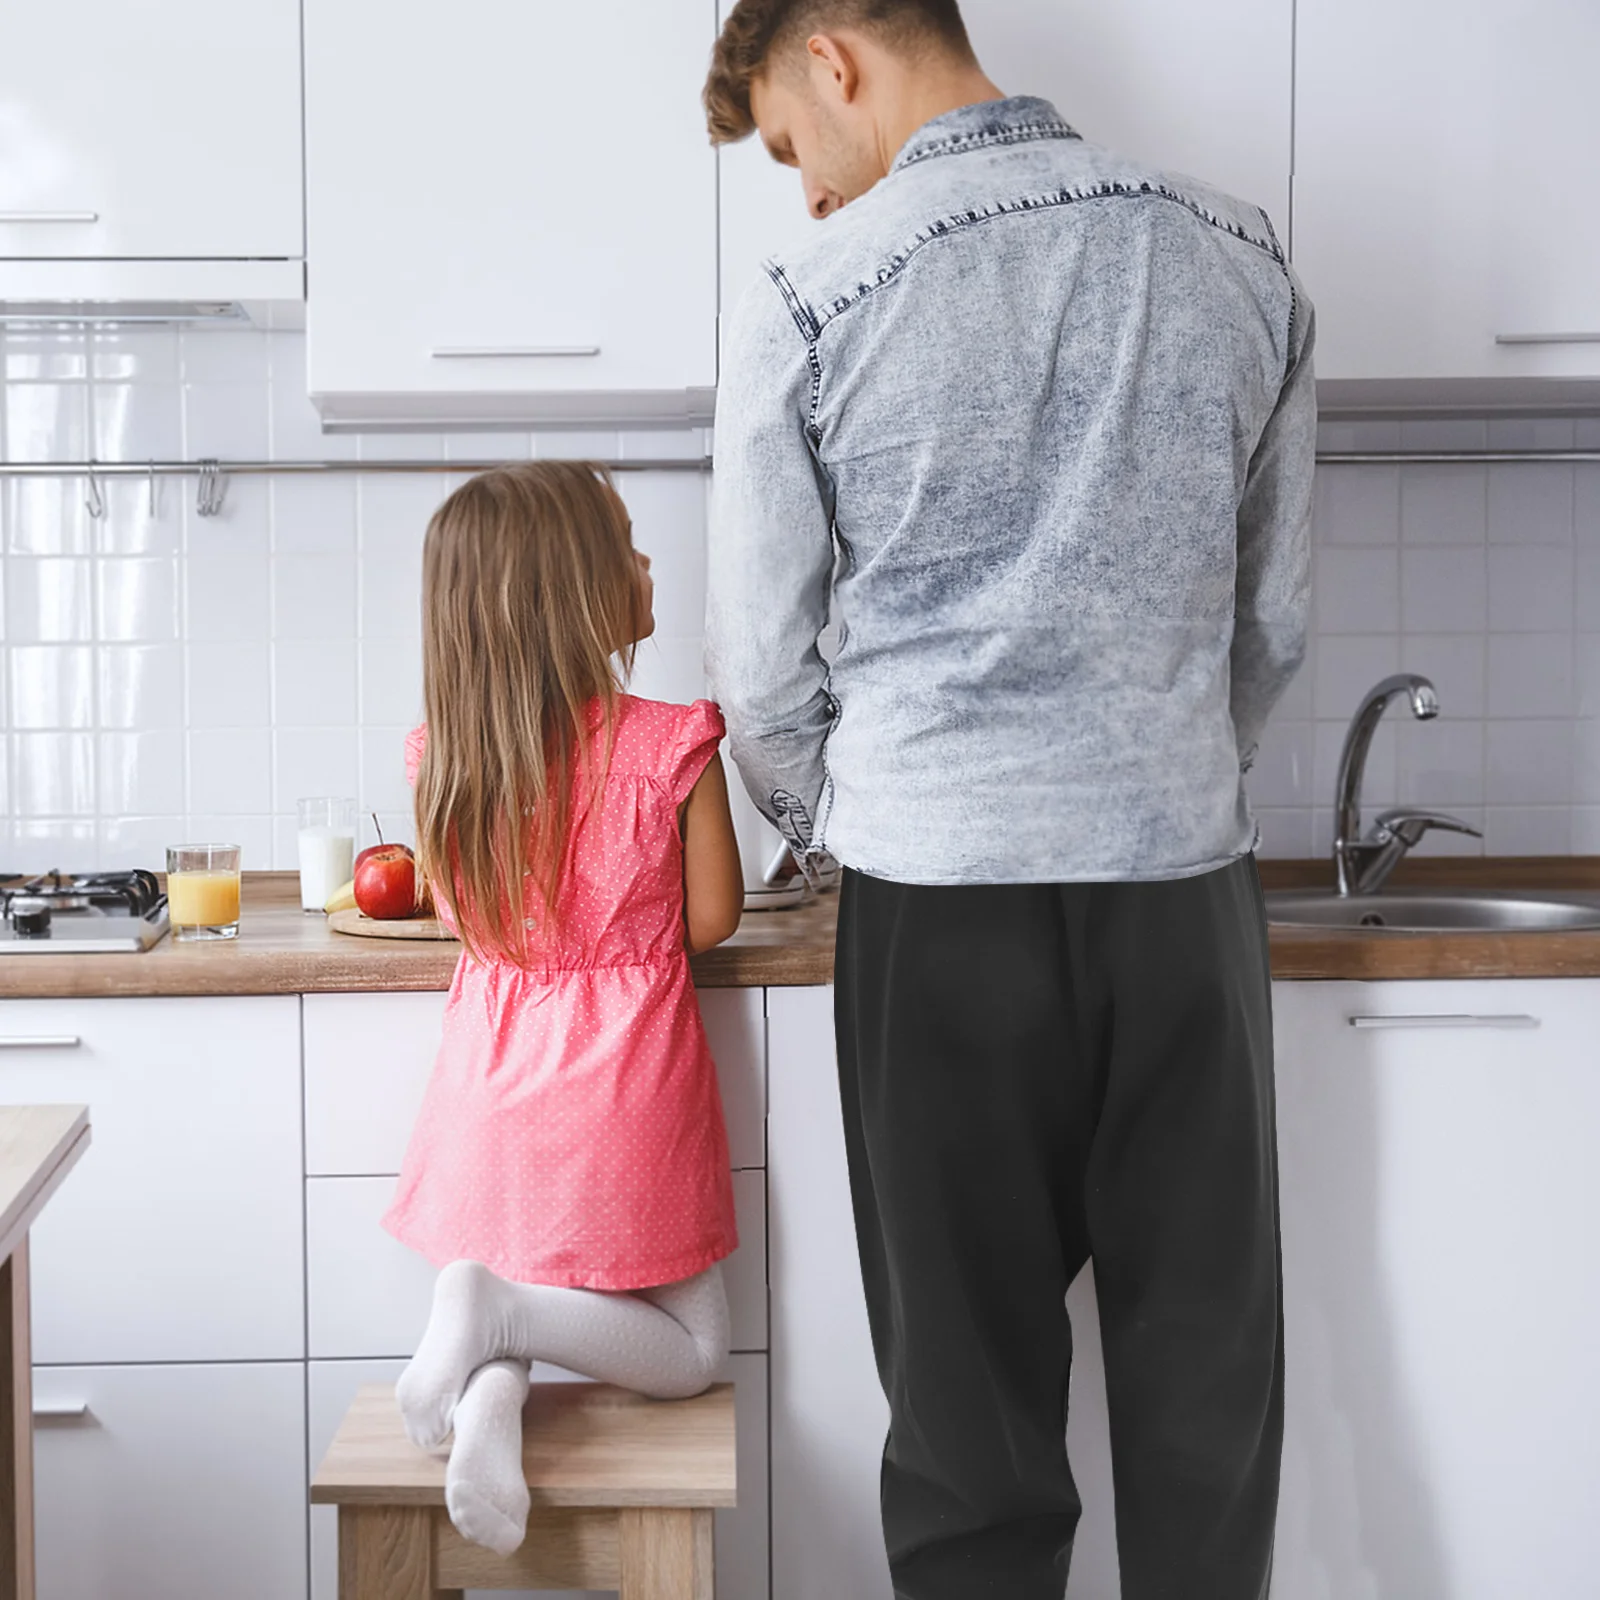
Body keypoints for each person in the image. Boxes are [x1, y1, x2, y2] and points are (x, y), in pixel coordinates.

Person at [704, 2, 1315, 1597]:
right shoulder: (1240, 255)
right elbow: (1273, 628)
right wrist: (1160, 767)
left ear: (833, 55)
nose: (809, 191)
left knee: (970, 1446)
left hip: (934, 922)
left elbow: (761, 679)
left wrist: (880, 814)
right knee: (1207, 1425)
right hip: (1183, 897)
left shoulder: (812, 296)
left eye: (789, 145)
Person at [384, 461, 745, 1556]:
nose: (648, 563)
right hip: (624, 1089)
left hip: (489, 1096)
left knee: (521, 1277)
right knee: (694, 1351)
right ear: (573, 593)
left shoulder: (444, 760)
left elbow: (460, 913)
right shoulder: (675, 742)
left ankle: (493, 1397)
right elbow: (715, 918)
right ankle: (498, 1320)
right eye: (626, 547)